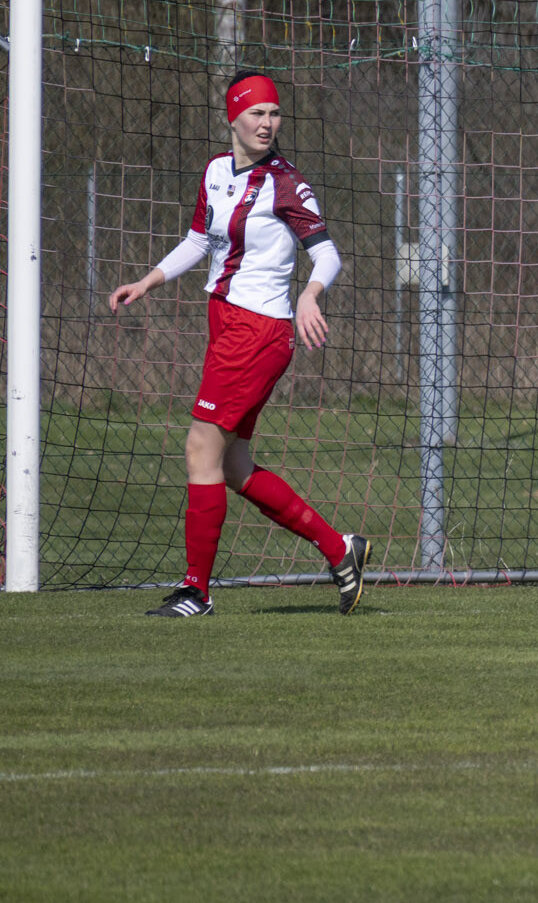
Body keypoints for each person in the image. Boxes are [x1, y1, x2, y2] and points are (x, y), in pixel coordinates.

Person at [110, 71, 369, 617]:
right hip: (225, 323)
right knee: (232, 465)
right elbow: (199, 239)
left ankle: (195, 592)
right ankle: (338, 548)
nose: (267, 123)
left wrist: (310, 294)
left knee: (200, 449)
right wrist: (148, 280)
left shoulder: (286, 181)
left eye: (274, 113)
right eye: (257, 113)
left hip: (258, 331)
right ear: (233, 117)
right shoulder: (215, 171)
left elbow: (327, 253)